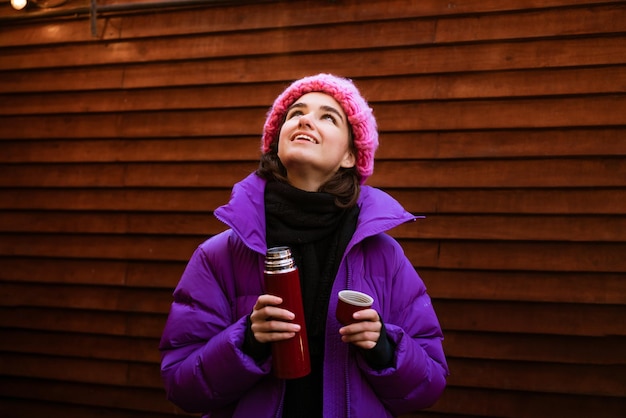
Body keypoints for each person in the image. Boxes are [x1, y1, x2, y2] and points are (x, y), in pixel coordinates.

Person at [159, 73, 449, 417]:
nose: (306, 119)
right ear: (276, 144)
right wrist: (246, 341)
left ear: (351, 157)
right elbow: (181, 384)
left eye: (328, 116)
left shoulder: (384, 256)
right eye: (296, 113)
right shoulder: (218, 256)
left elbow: (430, 384)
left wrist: (384, 347)